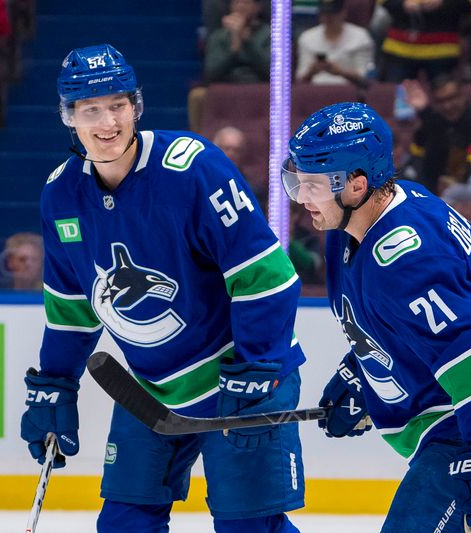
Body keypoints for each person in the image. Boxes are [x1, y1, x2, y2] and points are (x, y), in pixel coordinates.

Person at [18, 44, 306, 533]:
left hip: (238, 380)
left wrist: (258, 367)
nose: (107, 122)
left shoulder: (192, 169)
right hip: (148, 391)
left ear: (137, 106)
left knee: (249, 529)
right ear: (70, 117)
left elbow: (267, 277)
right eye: (90, 109)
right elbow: (71, 308)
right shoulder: (61, 193)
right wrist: (54, 384)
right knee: (124, 525)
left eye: (117, 105)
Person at [282, 102, 471, 532]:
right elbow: (406, 324)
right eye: (297, 182)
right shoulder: (367, 219)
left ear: (356, 185)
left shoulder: (406, 257)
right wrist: (362, 374)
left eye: (312, 185)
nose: (301, 197)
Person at [401, 74, 471, 194]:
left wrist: (453, 182)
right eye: (441, 101)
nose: (448, 106)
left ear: (462, 95)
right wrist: (423, 112)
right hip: (432, 182)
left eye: (452, 98)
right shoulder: (432, 116)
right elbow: (417, 154)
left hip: (467, 183)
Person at [295, 0, 375, 87]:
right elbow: (300, 79)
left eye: (333, 13)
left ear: (343, 13)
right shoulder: (307, 38)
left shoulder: (361, 37)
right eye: (324, 14)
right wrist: (312, 71)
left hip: (349, 92)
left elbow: (366, 79)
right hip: (315, 91)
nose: (328, 18)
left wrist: (340, 72)